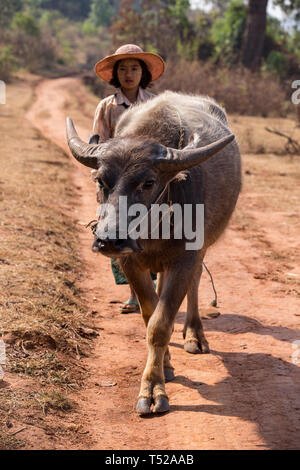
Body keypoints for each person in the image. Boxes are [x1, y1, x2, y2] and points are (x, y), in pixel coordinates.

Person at [89, 44, 165, 313]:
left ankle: (153, 290)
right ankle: (135, 293)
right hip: (115, 183)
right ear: (115, 74)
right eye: (123, 69)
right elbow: (96, 145)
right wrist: (101, 183)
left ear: (142, 73)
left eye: (134, 68)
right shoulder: (107, 106)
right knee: (116, 232)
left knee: (149, 233)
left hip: (144, 183)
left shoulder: (155, 104)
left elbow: (161, 146)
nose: (128, 74)